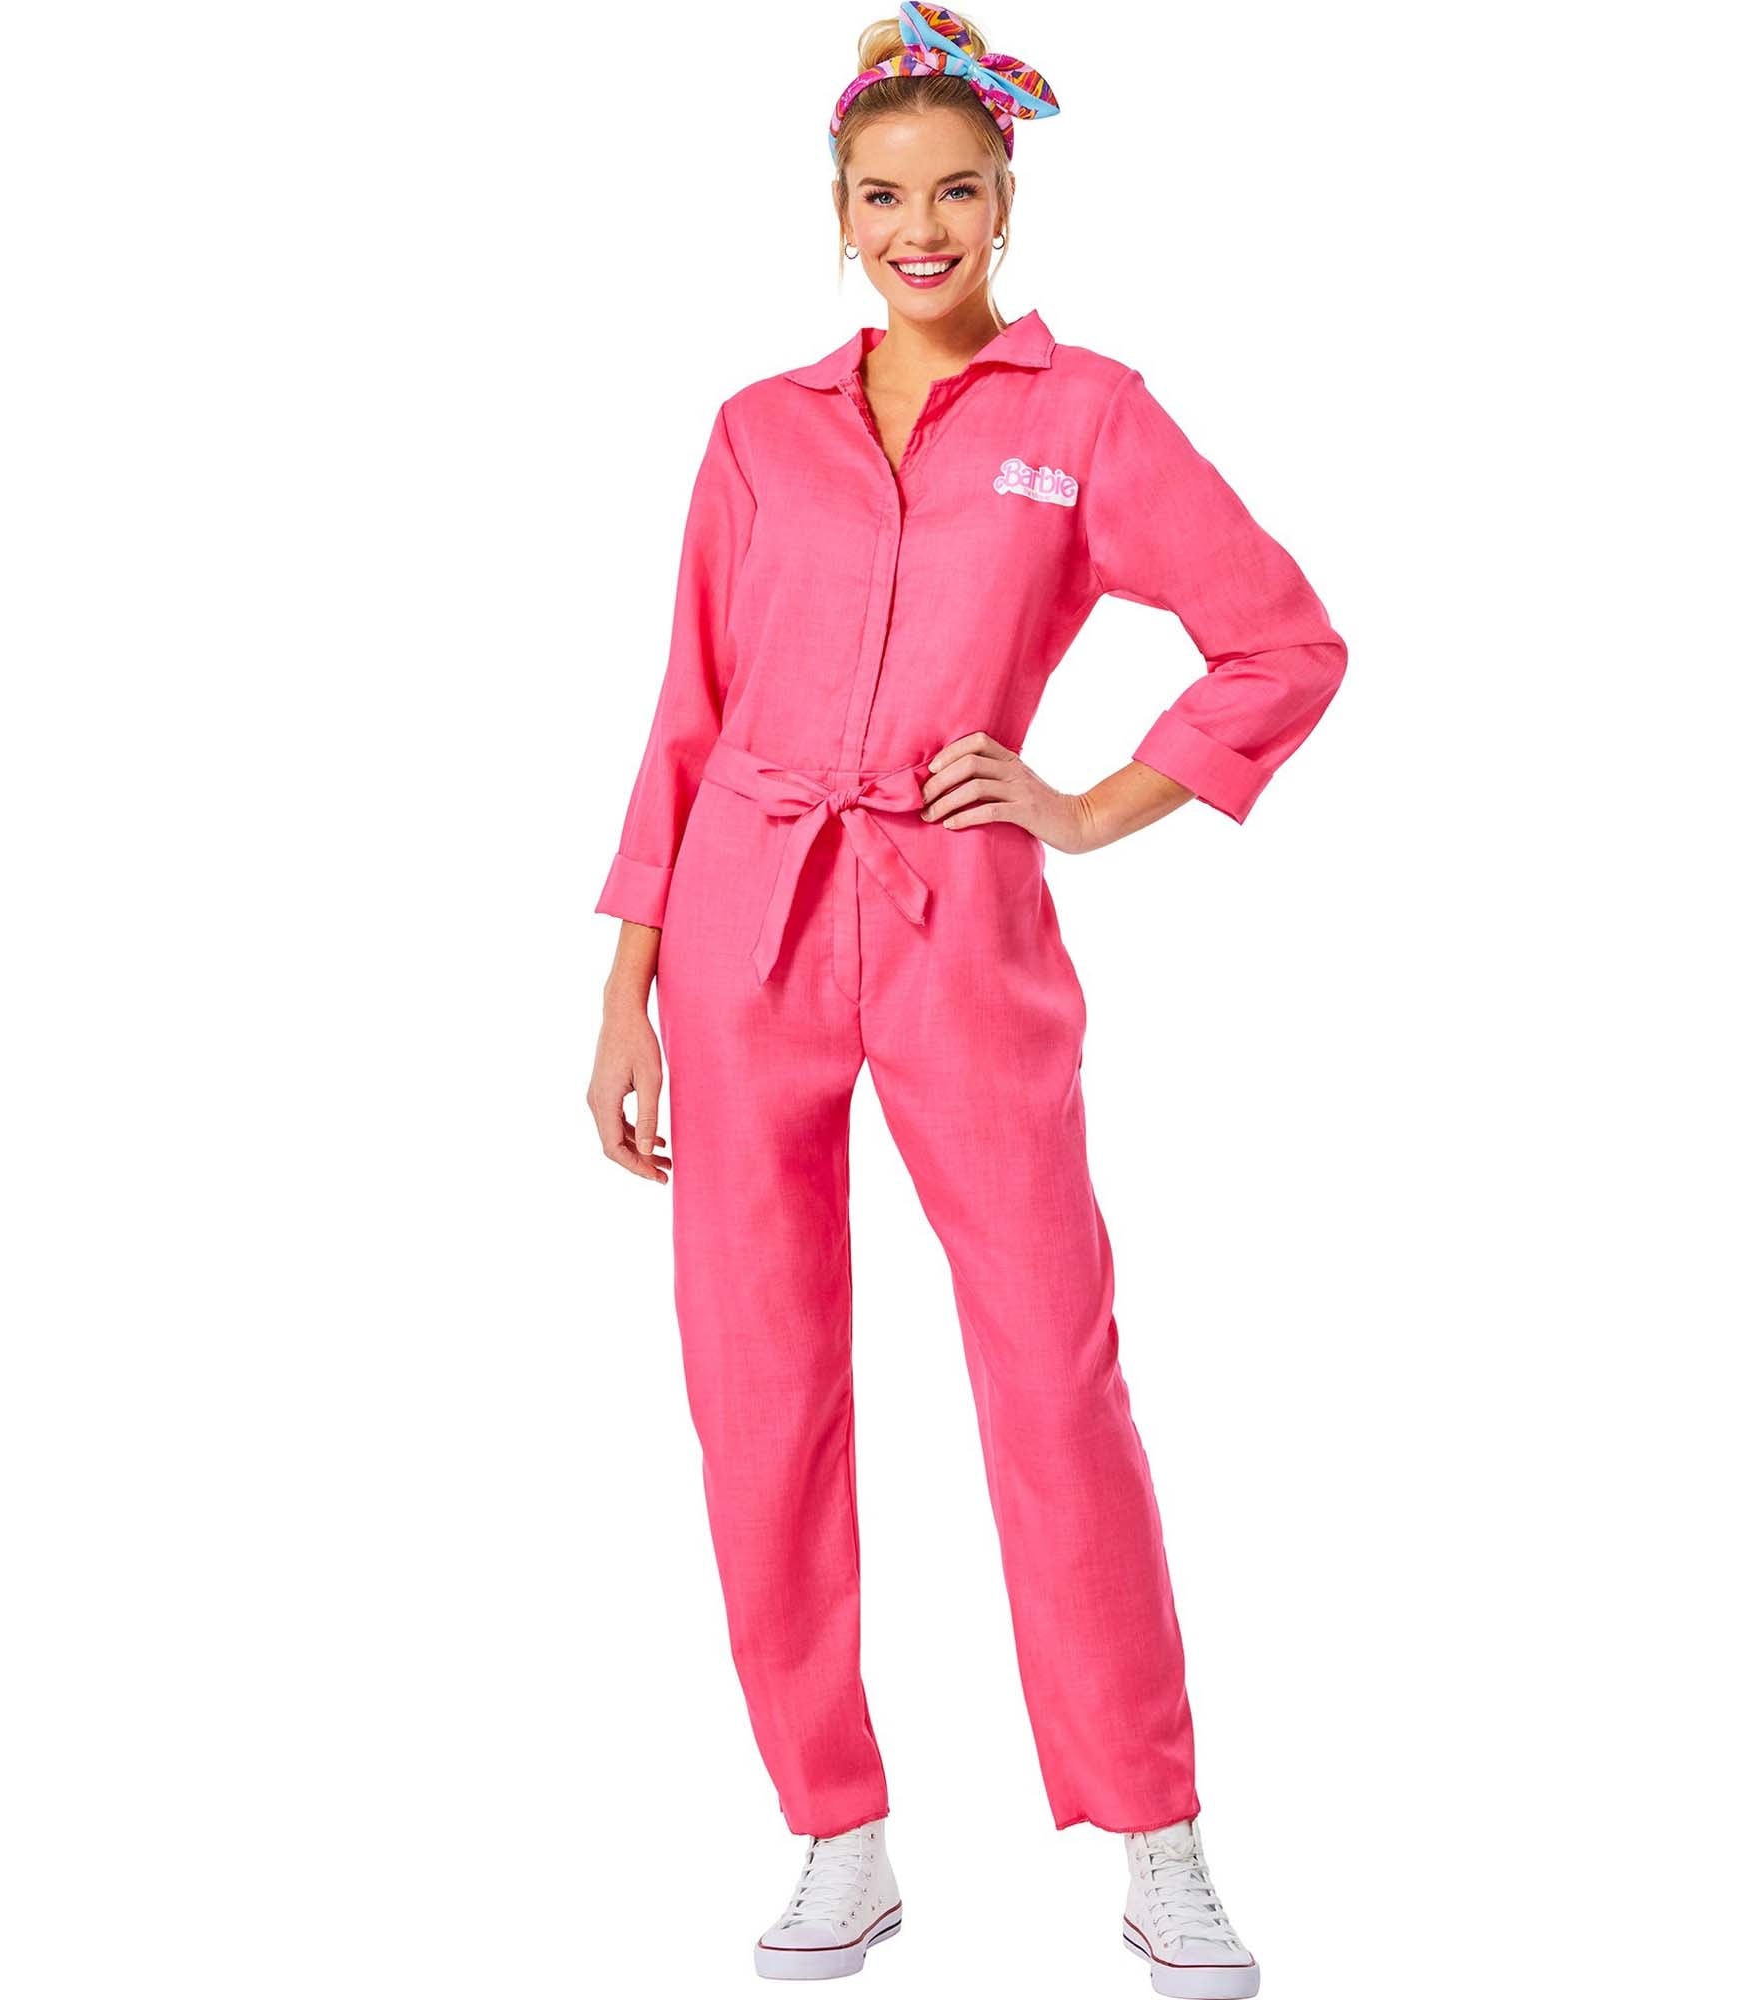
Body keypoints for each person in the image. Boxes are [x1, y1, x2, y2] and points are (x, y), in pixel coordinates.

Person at [584, 7, 1347, 1991]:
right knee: (758, 1384)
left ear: (1006, 196)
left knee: (1051, 1368)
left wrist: (1085, 805)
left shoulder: (1085, 415)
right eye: (879, 196)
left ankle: (1156, 1833)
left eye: (951, 191)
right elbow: (687, 711)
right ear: (835, 213)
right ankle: (834, 1829)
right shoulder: (755, 431)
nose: (915, 228)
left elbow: (1280, 640)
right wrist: (628, 983)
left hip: (957, 920)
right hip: (746, 919)